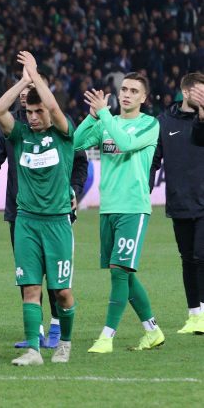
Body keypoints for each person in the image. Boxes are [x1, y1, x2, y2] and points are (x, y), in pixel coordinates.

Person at [0, 75, 88, 349]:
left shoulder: (62, 128)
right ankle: (34, 333)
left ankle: (58, 328)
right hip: (22, 215)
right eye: (27, 104)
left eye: (33, 90)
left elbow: (80, 163)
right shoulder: (17, 130)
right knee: (29, 279)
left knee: (58, 285)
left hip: (57, 215)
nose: (28, 97)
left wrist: (74, 190)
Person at [0, 52, 77, 366]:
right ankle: (33, 350)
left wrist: (37, 76)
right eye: (28, 112)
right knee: (30, 288)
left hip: (57, 223)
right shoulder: (20, 136)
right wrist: (24, 81)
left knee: (62, 292)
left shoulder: (64, 134)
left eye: (38, 111)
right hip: (26, 222)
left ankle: (65, 343)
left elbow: (54, 108)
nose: (33, 117)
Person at [74, 72, 164, 353]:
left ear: (144, 98)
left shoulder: (150, 124)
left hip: (133, 208)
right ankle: (152, 331)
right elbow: (74, 143)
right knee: (125, 273)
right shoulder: (106, 122)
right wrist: (92, 117)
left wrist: (104, 115)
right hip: (108, 208)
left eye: (134, 91)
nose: (127, 94)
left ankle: (107, 336)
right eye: (124, 89)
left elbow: (125, 143)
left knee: (119, 272)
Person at [150, 72, 204, 333]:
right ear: (186, 92)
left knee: (201, 256)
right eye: (200, 92)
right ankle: (194, 314)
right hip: (180, 201)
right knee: (188, 259)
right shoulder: (164, 122)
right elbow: (154, 160)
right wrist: (145, 191)